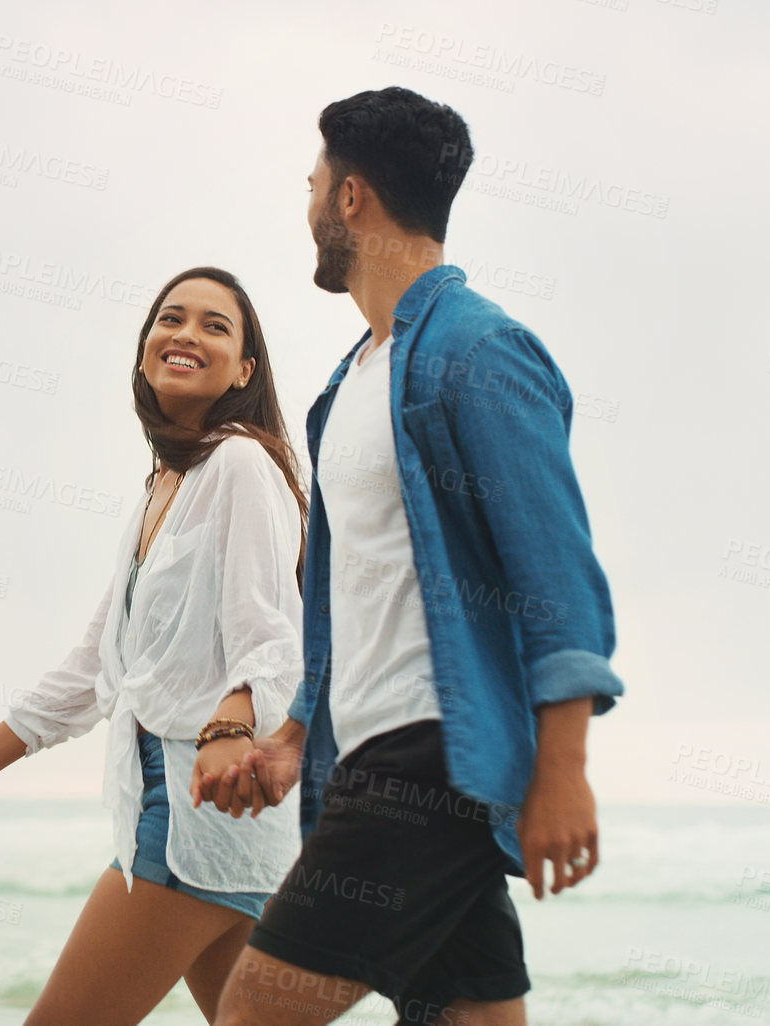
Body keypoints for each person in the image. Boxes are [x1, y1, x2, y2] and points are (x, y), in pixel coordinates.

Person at [199, 88, 628, 1026]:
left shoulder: (477, 352)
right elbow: (360, 602)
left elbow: (556, 573)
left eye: (313, 184)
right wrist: (296, 733)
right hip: (372, 758)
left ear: (350, 197)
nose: (307, 205)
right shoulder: (349, 384)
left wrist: (563, 767)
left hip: (425, 764)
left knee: (250, 1017)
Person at [0, 266, 312, 1025]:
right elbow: (91, 671)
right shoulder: (163, 489)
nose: (185, 334)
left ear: (244, 370)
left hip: (192, 807)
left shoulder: (241, 463)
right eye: (169, 318)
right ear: (145, 346)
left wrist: (229, 724)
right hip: (204, 819)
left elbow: (272, 633)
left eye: (215, 326)